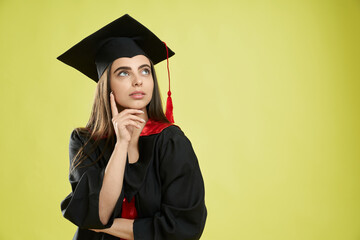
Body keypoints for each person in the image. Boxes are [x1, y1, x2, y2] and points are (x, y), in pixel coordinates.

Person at [57, 14, 207, 240]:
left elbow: (183, 229)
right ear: (106, 84)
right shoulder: (84, 141)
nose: (138, 80)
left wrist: (104, 227)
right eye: (124, 72)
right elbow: (99, 213)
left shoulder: (171, 141)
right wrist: (122, 144)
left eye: (145, 70)